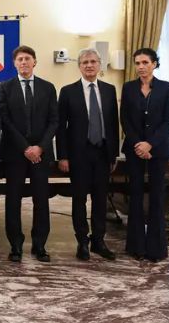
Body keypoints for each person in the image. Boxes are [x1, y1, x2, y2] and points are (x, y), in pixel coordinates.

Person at [0, 45, 58, 263]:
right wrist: (25, 148)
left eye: (27, 58)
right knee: (13, 200)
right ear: (14, 64)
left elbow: (54, 121)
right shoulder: (5, 88)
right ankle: (15, 245)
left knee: (41, 200)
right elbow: (5, 121)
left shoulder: (48, 87)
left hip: (41, 154)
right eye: (20, 59)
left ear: (34, 62)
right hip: (15, 153)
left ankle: (40, 245)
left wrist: (39, 147)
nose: (24, 62)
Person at [56, 48, 118, 261]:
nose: (89, 65)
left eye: (93, 61)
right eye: (85, 62)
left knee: (101, 199)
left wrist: (113, 155)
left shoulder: (109, 90)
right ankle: (82, 241)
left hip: (102, 153)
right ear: (79, 66)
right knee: (79, 199)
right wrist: (63, 156)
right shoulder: (68, 91)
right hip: (78, 155)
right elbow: (61, 127)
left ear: (99, 64)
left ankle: (98, 241)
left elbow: (113, 124)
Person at [121, 47, 169, 262]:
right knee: (134, 196)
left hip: (158, 149)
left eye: (145, 62)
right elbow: (125, 119)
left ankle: (156, 248)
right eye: (137, 63)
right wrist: (138, 144)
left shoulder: (166, 87)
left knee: (157, 196)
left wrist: (150, 144)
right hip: (134, 149)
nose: (141, 67)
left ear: (154, 64)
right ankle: (136, 247)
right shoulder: (128, 87)